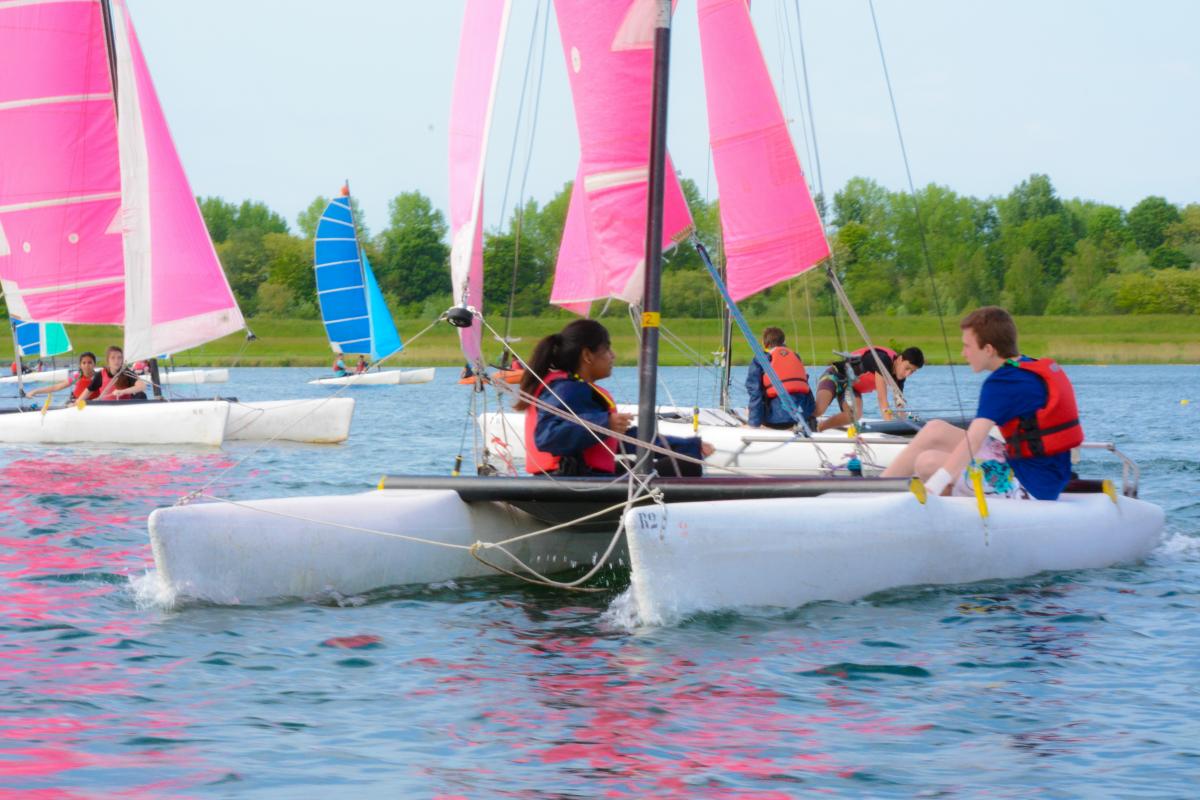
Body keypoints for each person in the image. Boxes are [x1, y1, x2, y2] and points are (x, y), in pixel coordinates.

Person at [882, 306, 1082, 501]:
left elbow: (974, 440)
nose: (963, 353)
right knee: (935, 429)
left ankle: (935, 511)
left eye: (968, 346)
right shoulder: (1025, 366)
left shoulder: (1002, 383)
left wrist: (934, 486)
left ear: (988, 349)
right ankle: (878, 488)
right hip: (1033, 470)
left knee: (928, 462)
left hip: (1031, 487)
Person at [514, 319, 714, 477]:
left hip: (582, 476)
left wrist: (688, 446)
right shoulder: (568, 390)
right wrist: (605, 423)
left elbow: (623, 440)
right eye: (607, 349)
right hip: (572, 480)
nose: (613, 356)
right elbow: (546, 437)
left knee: (681, 461)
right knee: (687, 467)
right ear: (588, 355)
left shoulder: (575, 389)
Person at [814, 345, 924, 431]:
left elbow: (899, 405)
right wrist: (890, 427)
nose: (908, 374)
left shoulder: (899, 378)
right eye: (907, 368)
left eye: (912, 371)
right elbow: (882, 400)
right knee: (819, 410)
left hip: (851, 388)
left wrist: (904, 426)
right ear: (900, 359)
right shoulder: (882, 361)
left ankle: (819, 427)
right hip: (835, 376)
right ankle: (805, 420)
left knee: (855, 414)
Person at [745, 327, 815, 430]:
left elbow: (754, 390)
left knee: (747, 410)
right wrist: (810, 416)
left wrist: (753, 423)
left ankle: (756, 422)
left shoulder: (762, 358)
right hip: (800, 418)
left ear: (764, 343)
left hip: (775, 421)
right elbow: (805, 387)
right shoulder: (795, 357)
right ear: (784, 342)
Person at [25, 352, 100, 403]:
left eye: (90, 362)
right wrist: (35, 391)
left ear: (94, 364)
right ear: (80, 365)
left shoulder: (99, 377)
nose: (87, 365)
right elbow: (57, 387)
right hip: (75, 402)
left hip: (94, 404)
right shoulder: (76, 376)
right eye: (84, 363)